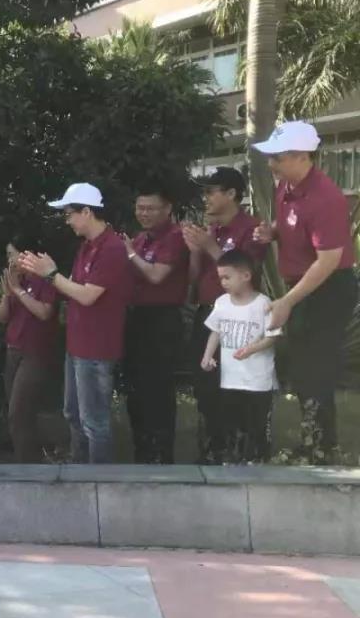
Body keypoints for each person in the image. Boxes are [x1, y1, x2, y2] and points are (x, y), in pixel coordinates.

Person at [252, 121, 358, 458]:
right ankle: (313, 442)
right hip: (302, 287)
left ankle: (322, 447)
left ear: (302, 156)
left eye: (278, 157)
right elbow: (294, 226)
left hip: (328, 289)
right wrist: (272, 232)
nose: (271, 163)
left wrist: (287, 300)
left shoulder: (326, 198)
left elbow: (328, 261)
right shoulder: (286, 186)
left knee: (317, 368)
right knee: (302, 367)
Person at [19, 183, 133, 464]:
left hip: (96, 348)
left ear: (87, 212)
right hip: (78, 345)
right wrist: (49, 275)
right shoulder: (87, 246)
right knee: (73, 413)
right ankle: (80, 471)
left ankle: (97, 482)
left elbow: (87, 295)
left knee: (94, 422)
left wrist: (50, 274)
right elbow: (71, 287)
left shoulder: (112, 248)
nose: (67, 220)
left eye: (69, 213)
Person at [182, 167, 266, 463]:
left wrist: (210, 246)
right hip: (208, 315)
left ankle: (240, 454)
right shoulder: (213, 231)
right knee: (206, 387)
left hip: (239, 320)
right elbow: (194, 278)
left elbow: (244, 276)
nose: (205, 198)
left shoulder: (251, 228)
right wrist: (196, 250)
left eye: (210, 191)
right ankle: (211, 452)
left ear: (231, 194)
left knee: (236, 390)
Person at [122, 185, 189, 464]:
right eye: (140, 208)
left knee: (158, 389)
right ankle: (142, 451)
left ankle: (161, 456)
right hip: (137, 318)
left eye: (150, 208)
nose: (144, 214)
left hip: (163, 319)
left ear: (167, 209)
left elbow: (156, 275)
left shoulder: (175, 237)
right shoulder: (140, 239)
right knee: (136, 389)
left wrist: (130, 254)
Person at [200, 250, 281, 462]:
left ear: (246, 275)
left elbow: (273, 336)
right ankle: (233, 460)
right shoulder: (222, 302)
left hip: (257, 380)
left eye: (227, 277)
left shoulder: (263, 303)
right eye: (221, 278)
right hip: (230, 378)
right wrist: (207, 356)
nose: (223, 283)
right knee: (232, 423)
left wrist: (252, 349)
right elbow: (215, 331)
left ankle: (258, 461)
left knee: (256, 424)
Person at [0, 235, 58, 463]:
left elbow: (44, 312)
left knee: (18, 413)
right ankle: (35, 460)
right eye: (8, 256)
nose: (11, 261)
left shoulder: (45, 279)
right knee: (20, 413)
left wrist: (19, 291)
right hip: (13, 350)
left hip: (34, 353)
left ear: (28, 255)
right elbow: (3, 318)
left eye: (14, 255)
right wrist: (7, 294)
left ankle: (27, 466)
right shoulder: (16, 280)